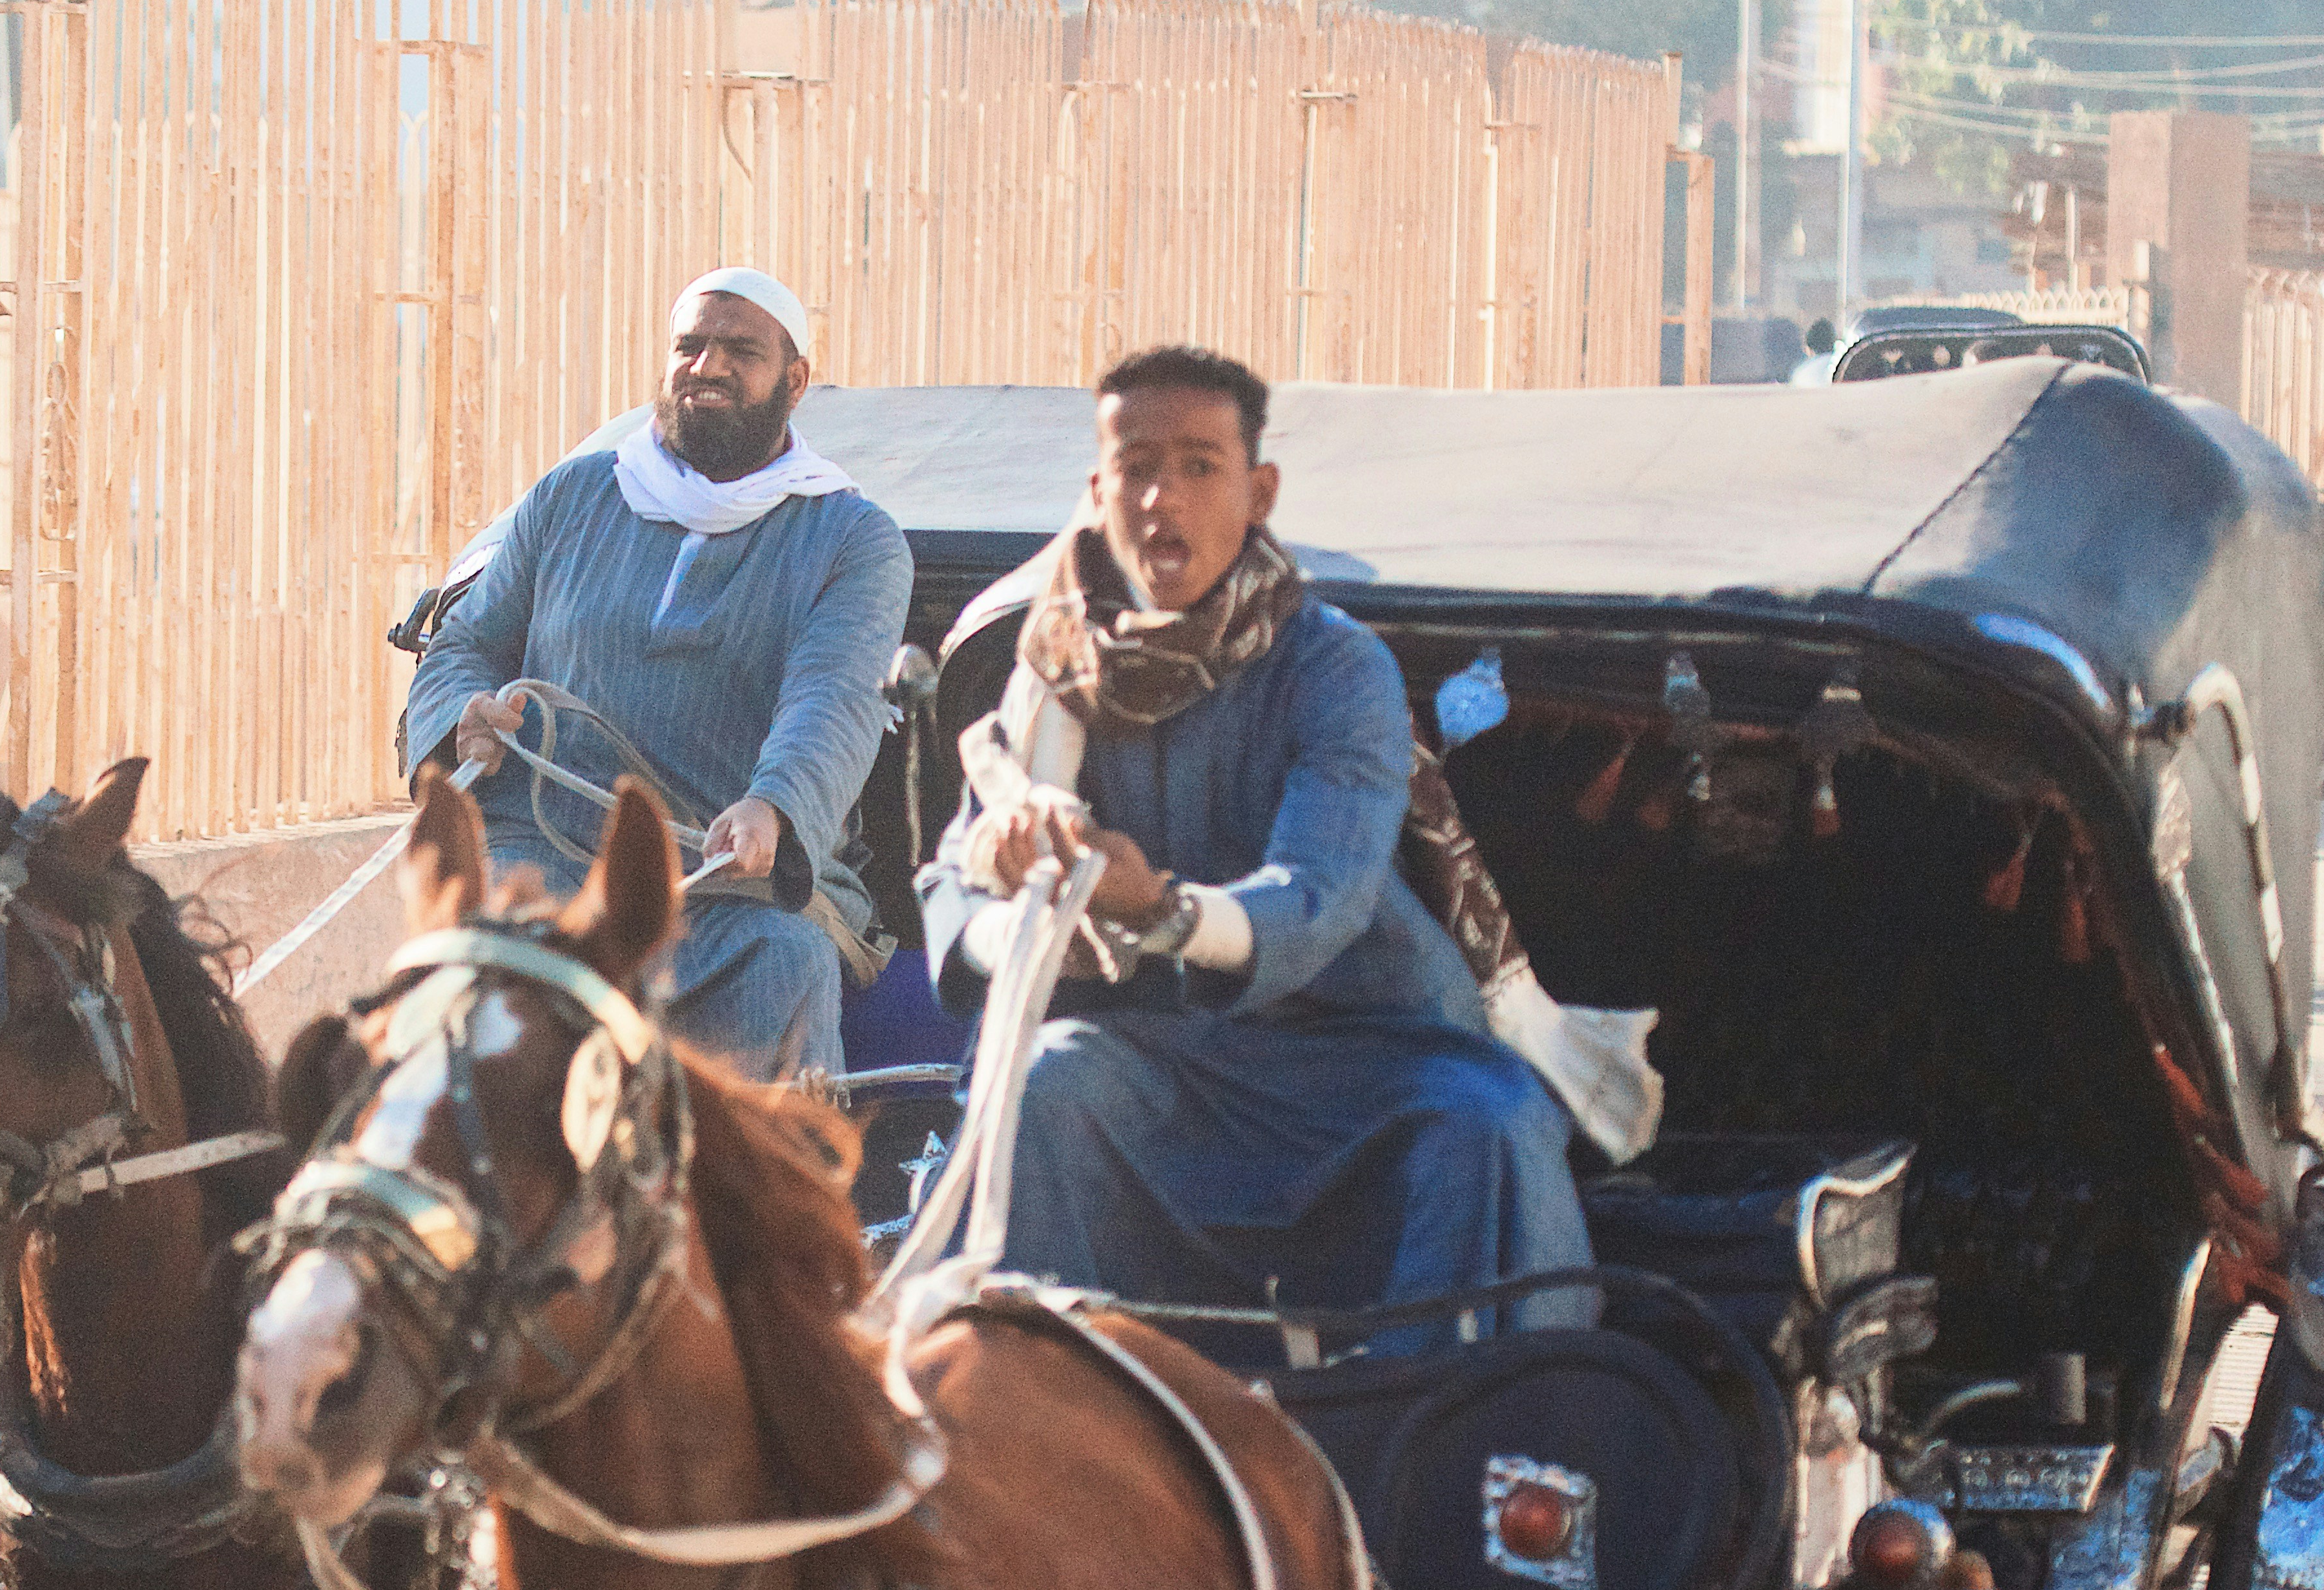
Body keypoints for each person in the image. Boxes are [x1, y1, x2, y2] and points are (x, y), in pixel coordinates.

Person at [918, 344, 1591, 1338]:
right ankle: (1070, 1407)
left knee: (1482, 1125)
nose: (1162, 499)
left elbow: (1322, 897)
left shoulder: (1336, 669)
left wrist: (1163, 910)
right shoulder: (1050, 667)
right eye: (1137, 468)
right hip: (1152, 1057)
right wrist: (1014, 899)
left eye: (1199, 466)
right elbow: (950, 885)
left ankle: (1436, 1438)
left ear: (1259, 491)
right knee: (1042, 1082)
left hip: (1361, 1056)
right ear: (1098, 488)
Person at [406, 270, 912, 1078]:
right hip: (546, 859)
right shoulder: (571, 496)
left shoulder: (854, 539)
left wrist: (776, 804)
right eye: (691, 346)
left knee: (786, 964)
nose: (707, 366)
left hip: (725, 889)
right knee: (474, 970)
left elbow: (833, 697)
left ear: (795, 380)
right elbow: (464, 645)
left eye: (740, 351)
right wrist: (460, 713)